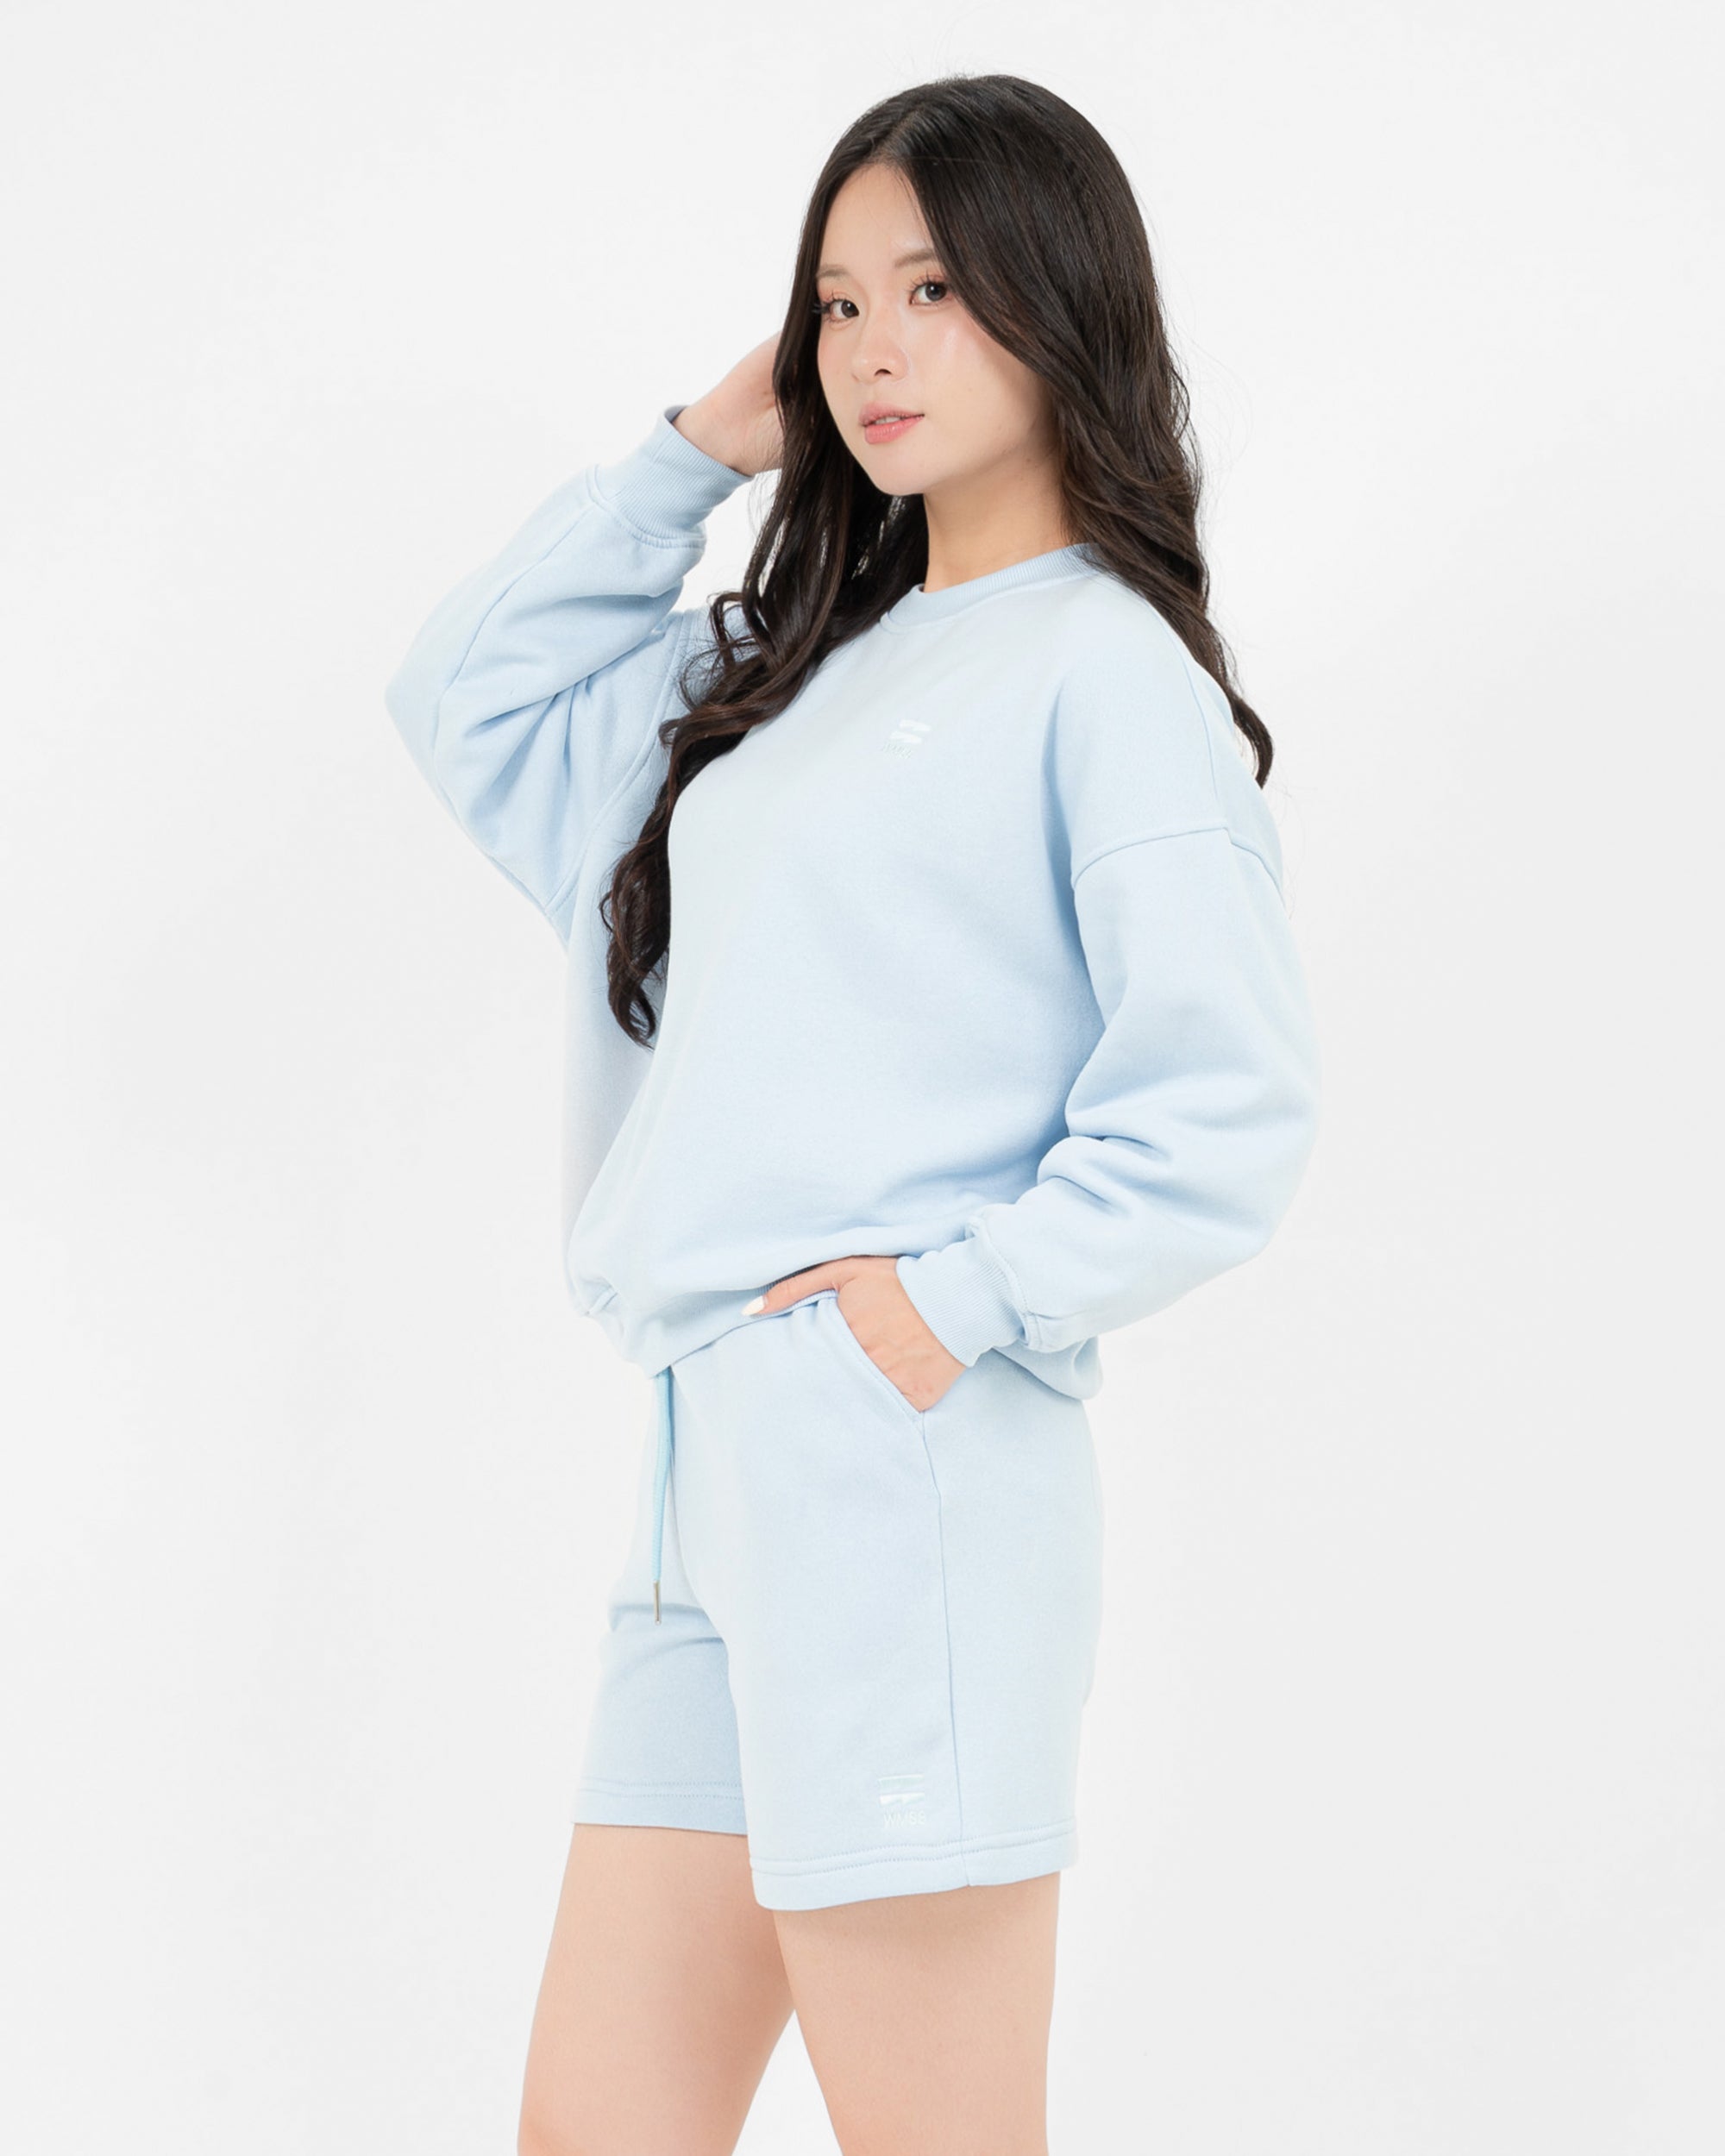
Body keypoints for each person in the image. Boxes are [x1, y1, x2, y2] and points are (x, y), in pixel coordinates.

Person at [385, 71, 1321, 2156]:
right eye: (837, 302)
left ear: (1058, 300)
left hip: (894, 1474)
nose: (874, 348)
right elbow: (468, 699)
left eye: (934, 290)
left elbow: (1228, 1100)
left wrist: (946, 1304)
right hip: (700, 1483)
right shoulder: (792, 671)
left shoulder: (1103, 673)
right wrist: (689, 456)